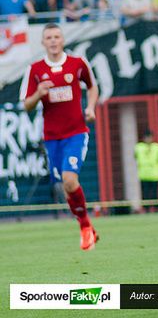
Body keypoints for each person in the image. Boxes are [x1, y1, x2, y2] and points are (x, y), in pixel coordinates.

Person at [20, 23, 99, 250]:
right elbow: (26, 105)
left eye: (57, 36)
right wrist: (38, 94)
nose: (53, 41)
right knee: (65, 188)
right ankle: (88, 228)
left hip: (76, 133)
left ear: (62, 40)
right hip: (52, 137)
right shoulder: (35, 69)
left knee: (69, 179)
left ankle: (84, 227)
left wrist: (91, 107)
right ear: (43, 42)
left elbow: (92, 87)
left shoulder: (77, 63)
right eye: (49, 37)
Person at [135, 130, 158, 213]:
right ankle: (146, 209)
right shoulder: (139, 147)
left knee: (155, 193)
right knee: (145, 194)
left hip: (155, 174)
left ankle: (156, 209)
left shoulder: (157, 147)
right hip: (143, 174)